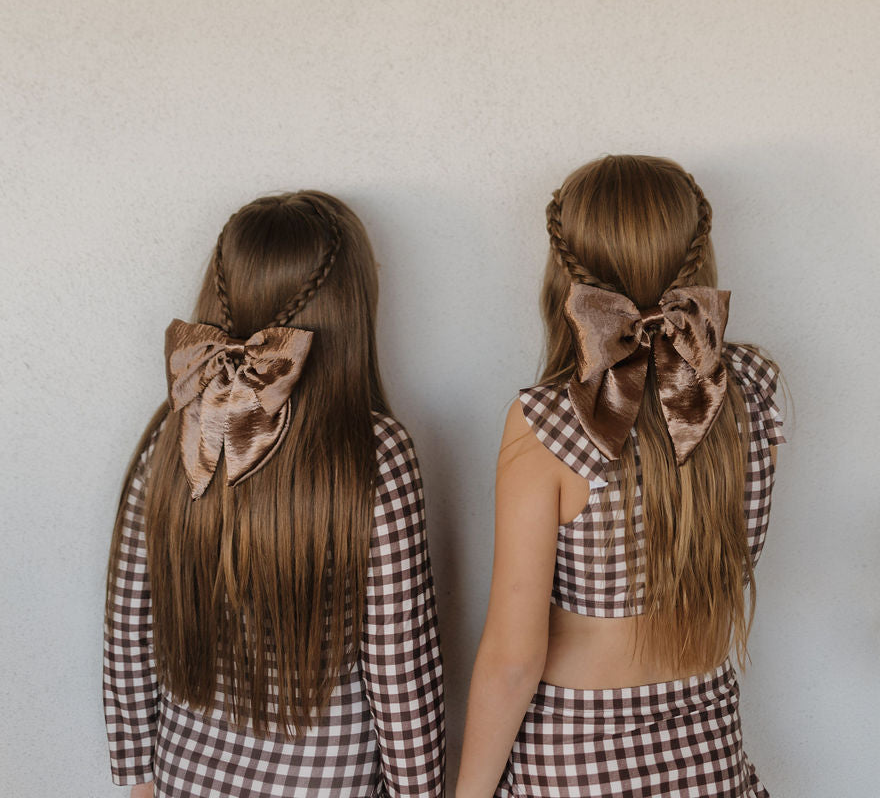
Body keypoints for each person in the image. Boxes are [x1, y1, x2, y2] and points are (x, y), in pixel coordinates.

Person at [457, 155, 784, 798]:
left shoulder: (544, 421)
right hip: (708, 738)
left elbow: (512, 659)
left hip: (575, 752)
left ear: (567, 278)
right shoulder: (752, 387)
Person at [104, 190, 445, 798]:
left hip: (187, 773)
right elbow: (399, 668)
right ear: (353, 308)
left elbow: (129, 626)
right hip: (326, 782)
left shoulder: (172, 435)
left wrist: (137, 777)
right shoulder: (375, 452)